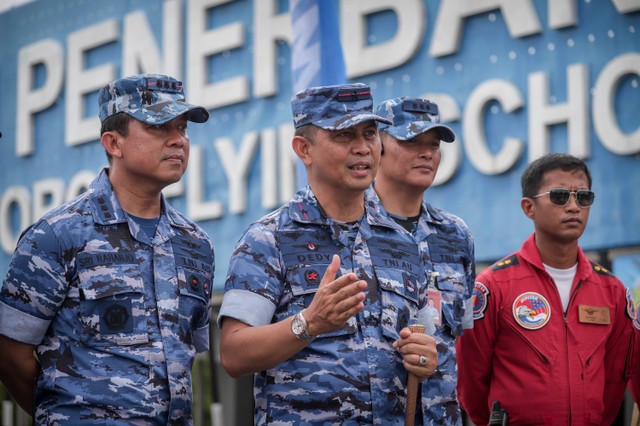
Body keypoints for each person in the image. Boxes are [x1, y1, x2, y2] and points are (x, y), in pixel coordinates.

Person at [217, 83, 439, 425]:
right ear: (304, 149)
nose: (363, 148)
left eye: (370, 133)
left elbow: (425, 344)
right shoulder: (269, 238)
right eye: (344, 135)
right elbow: (233, 354)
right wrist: (309, 323)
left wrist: (425, 357)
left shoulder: (402, 241)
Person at [0, 73, 215, 424]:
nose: (178, 141)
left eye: (183, 129)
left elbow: (187, 354)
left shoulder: (195, 245)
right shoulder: (58, 235)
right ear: (114, 143)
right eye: (161, 128)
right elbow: (10, 355)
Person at [456, 153, 635, 425]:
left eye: (583, 197)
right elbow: (471, 380)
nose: (574, 206)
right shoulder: (493, 287)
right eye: (560, 196)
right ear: (529, 207)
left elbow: (614, 381)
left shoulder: (612, 291)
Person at [369, 97, 475, 425]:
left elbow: (463, 337)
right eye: (411, 141)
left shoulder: (455, 235)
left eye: (433, 144)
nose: (427, 152)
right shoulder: (349, 228)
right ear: (378, 147)